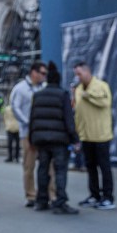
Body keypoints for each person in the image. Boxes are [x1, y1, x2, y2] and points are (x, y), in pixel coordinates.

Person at [29, 62, 80, 214]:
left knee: (43, 169)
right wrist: (75, 139)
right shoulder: (63, 95)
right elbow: (69, 119)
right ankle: (60, 202)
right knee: (60, 170)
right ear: (58, 81)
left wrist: (33, 139)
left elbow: (33, 118)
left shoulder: (37, 95)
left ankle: (41, 201)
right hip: (59, 141)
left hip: (42, 140)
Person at [10, 61, 55, 207]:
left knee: (49, 164)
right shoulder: (20, 88)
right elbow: (15, 108)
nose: (44, 76)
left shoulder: (45, 87)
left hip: (43, 132)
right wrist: (28, 123)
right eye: (42, 73)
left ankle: (50, 194)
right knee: (29, 165)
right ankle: (31, 195)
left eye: (46, 74)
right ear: (33, 72)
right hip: (28, 132)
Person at [73, 61, 116, 210]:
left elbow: (105, 103)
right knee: (90, 167)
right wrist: (77, 133)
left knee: (104, 167)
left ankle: (108, 197)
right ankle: (94, 195)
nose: (77, 77)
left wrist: (88, 95)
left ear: (87, 72)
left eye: (79, 73)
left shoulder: (101, 86)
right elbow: (78, 113)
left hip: (101, 135)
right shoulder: (78, 89)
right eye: (76, 74)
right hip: (86, 135)